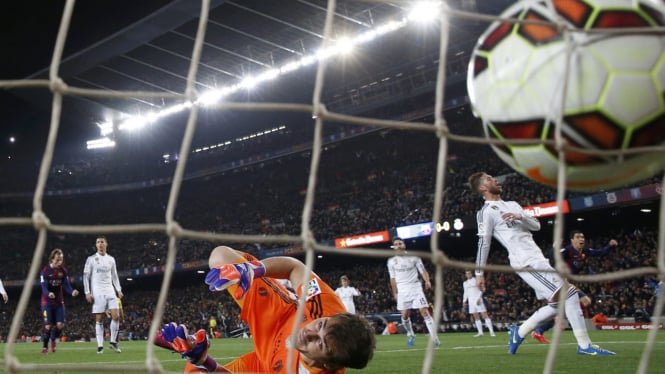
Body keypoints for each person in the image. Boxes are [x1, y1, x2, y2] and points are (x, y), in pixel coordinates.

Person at [154, 246, 376, 373]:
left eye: (320, 342)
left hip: (265, 364)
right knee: (220, 257)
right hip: (279, 315)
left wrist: (203, 360)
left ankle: (191, 347)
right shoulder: (326, 307)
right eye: (320, 325)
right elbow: (294, 267)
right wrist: (252, 270)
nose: (309, 331)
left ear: (328, 365)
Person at [467, 172, 615, 356]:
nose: (495, 180)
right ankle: (584, 346)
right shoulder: (486, 212)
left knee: (557, 305)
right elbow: (484, 242)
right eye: (489, 179)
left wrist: (519, 216)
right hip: (525, 262)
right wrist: (479, 273)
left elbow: (536, 225)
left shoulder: (512, 205)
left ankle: (518, 332)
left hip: (538, 258)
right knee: (569, 293)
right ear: (482, 188)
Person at [531, 230, 618, 343]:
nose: (581, 239)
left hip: (569, 283)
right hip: (560, 282)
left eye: (582, 237)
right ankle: (581, 338)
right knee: (585, 300)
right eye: (578, 237)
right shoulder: (568, 250)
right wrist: (555, 246)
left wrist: (610, 246)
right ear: (572, 240)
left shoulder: (585, 251)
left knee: (558, 310)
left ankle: (538, 331)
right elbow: (554, 256)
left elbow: (600, 252)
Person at [387, 237, 440, 347]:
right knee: (405, 315)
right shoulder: (391, 262)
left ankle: (434, 338)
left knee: (424, 311)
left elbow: (423, 271)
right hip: (402, 290)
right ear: (394, 247)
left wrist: (427, 281)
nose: (398, 246)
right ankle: (411, 333)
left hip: (415, 288)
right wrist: (395, 293)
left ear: (404, 245)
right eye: (396, 244)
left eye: (400, 243)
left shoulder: (414, 257)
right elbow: (392, 279)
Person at [83, 235, 124, 354]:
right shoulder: (91, 259)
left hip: (109, 289)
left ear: (106, 244)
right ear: (96, 245)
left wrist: (118, 289)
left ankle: (113, 342)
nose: (100, 244)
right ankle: (100, 346)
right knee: (99, 319)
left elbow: (115, 276)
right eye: (98, 242)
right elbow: (86, 277)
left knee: (116, 316)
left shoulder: (111, 259)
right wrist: (87, 292)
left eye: (102, 242)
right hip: (97, 290)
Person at [39, 248, 79, 354]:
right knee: (48, 326)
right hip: (47, 303)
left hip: (58, 302)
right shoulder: (45, 271)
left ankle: (53, 338)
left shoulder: (63, 271)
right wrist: (49, 293)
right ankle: (45, 348)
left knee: (60, 325)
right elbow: (43, 287)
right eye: (57, 260)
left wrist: (72, 292)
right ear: (52, 259)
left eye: (61, 260)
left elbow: (66, 286)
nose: (59, 262)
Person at [462, 270, 495, 337]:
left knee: (484, 315)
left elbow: (482, 289)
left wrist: (479, 298)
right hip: (471, 302)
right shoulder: (465, 283)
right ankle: (480, 332)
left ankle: (491, 332)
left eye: (469, 273)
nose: (468, 275)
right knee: (476, 316)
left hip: (478, 300)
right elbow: (465, 292)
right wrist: (464, 301)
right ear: (465, 275)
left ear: (472, 274)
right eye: (467, 274)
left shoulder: (476, 280)